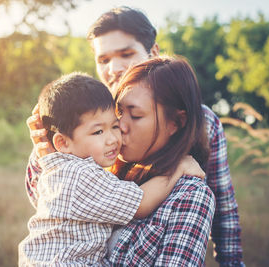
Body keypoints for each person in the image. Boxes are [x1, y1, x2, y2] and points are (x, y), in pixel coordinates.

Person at [28, 6, 243, 266]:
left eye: (126, 54)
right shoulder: (83, 110)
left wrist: (231, 262)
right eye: (103, 59)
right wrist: (47, 154)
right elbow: (50, 199)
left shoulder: (202, 121)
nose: (114, 68)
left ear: (153, 52)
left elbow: (220, 199)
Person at [18, 72, 205, 266]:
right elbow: (139, 205)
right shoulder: (79, 175)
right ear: (63, 142)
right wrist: (177, 169)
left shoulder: (59, 170)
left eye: (114, 126)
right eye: (98, 131)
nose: (113, 138)